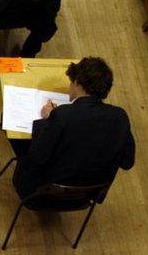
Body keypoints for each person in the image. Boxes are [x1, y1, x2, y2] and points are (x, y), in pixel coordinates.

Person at [11, 57, 134, 199]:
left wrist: (47, 120)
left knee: (17, 136)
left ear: (76, 82)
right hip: (87, 195)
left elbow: (36, 158)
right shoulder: (120, 117)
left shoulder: (62, 115)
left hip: (43, 194)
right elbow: (127, 162)